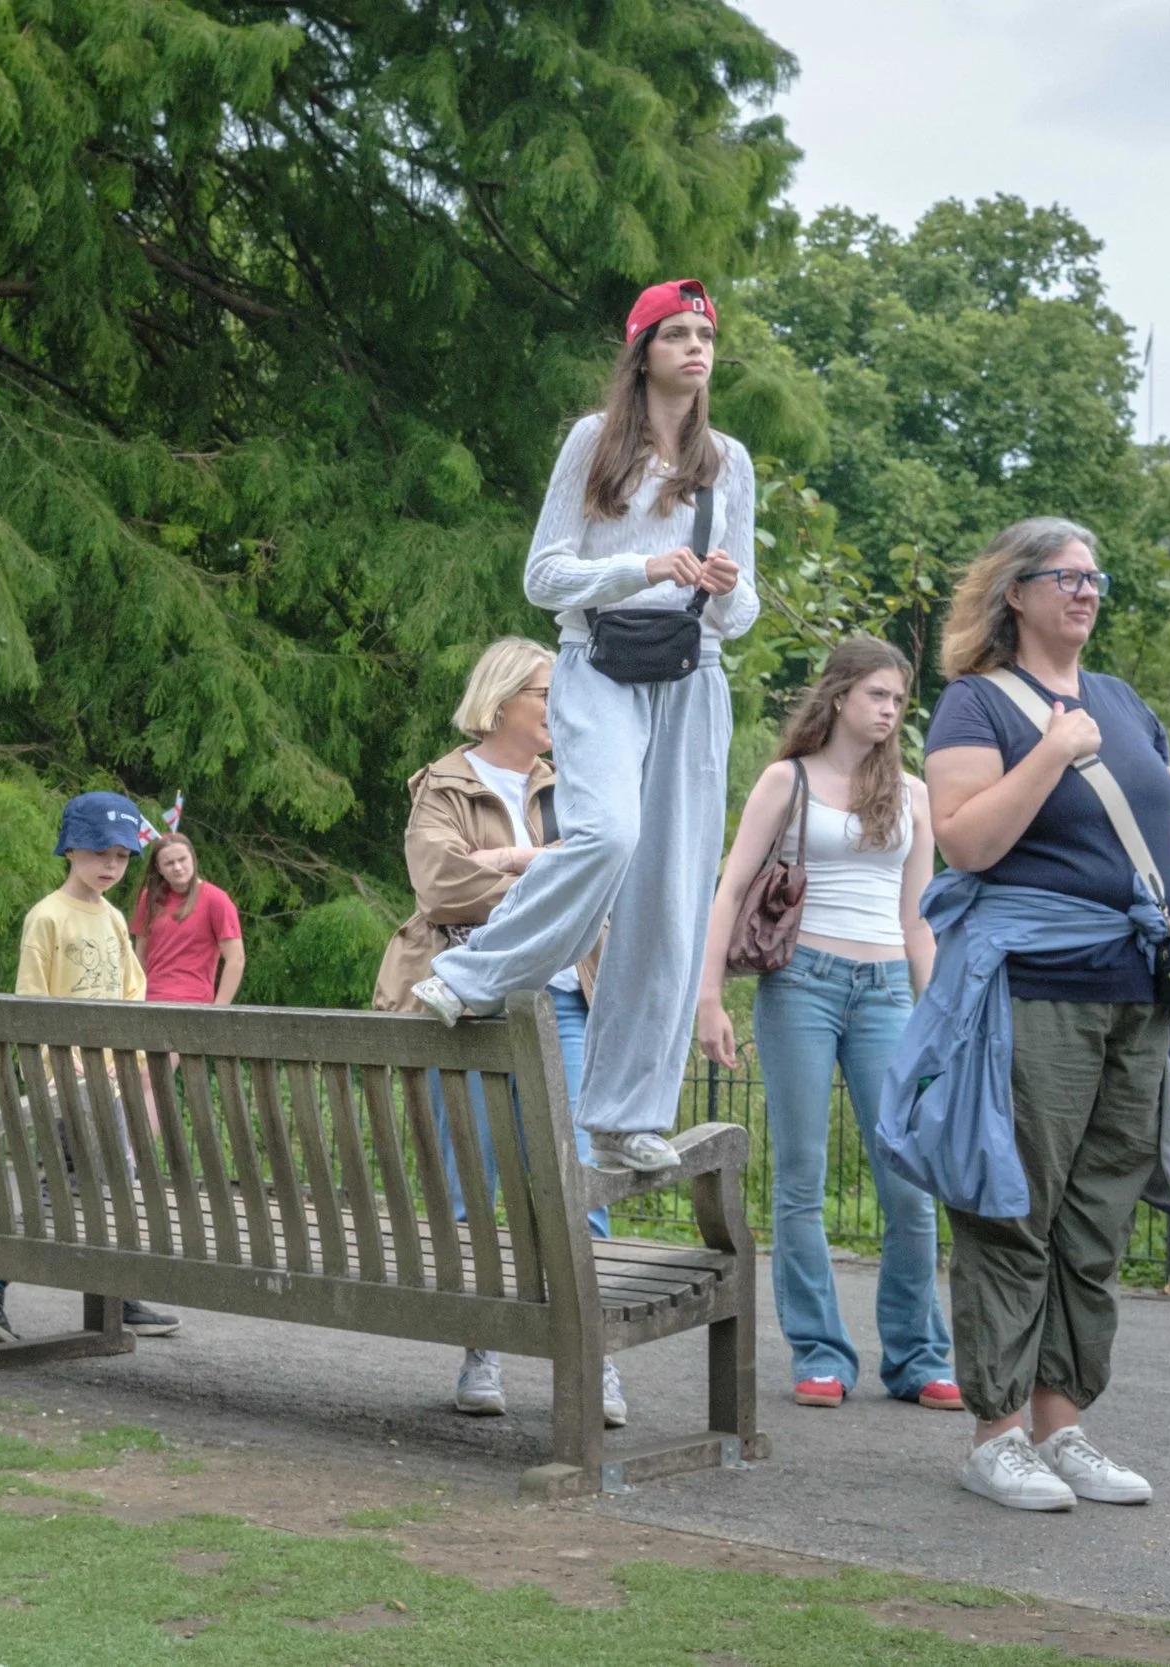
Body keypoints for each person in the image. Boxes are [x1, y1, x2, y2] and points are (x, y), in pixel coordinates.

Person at [906, 518, 1170, 1512]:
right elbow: (965, 843)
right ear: (1015, 592)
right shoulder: (975, 704)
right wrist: (1049, 750)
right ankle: (995, 1434)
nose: (1086, 591)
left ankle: (1061, 1424)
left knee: (1095, 1220)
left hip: (1136, 993)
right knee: (1013, 1206)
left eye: (1094, 577)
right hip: (1034, 990)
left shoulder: (1122, 702)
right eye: (1065, 576)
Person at [411, 279, 756, 1178]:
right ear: (642, 352)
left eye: (704, 335)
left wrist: (725, 589)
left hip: (692, 676)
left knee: (671, 896)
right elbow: (543, 576)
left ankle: (623, 1116)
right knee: (606, 834)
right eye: (676, 334)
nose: (696, 347)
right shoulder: (594, 442)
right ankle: (472, 975)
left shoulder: (729, 460)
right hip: (599, 661)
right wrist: (643, 568)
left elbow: (744, 608)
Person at [694, 639, 959, 1413]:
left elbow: (919, 921)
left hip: (886, 990)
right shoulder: (789, 780)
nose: (890, 710)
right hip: (800, 984)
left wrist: (939, 1017)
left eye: (899, 699)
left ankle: (917, 1355)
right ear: (839, 694)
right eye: (877, 694)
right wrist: (708, 998)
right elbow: (730, 889)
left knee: (909, 1180)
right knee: (801, 1177)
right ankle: (819, 1352)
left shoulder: (912, 794)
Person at [372, 638, 622, 1426]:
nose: (561, 706)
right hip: (467, 1006)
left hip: (565, 1002)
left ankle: (594, 1359)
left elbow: (609, 871)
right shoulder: (443, 784)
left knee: (579, 1182)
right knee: (471, 1187)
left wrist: (512, 859)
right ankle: (482, 1350)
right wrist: (549, 867)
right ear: (503, 697)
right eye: (548, 692)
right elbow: (440, 885)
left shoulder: (577, 782)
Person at [0, 792, 182, 1346]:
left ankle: (106, 1288)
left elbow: (132, 993)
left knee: (99, 1184)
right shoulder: (47, 917)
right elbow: (32, 1002)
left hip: (109, 1080)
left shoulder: (113, 918)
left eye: (122, 856)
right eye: (100, 852)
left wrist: (130, 1064)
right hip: (66, 1081)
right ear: (71, 849)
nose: (111, 865)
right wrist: (54, 1073)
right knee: (74, 1184)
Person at [130, 832, 244, 1005]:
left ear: (193, 858)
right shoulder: (149, 898)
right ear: (159, 868)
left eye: (182, 859)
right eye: (169, 863)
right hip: (150, 1002)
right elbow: (140, 955)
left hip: (195, 1004)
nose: (177, 867)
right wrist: (137, 999)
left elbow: (236, 959)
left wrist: (219, 1010)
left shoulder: (216, 899)